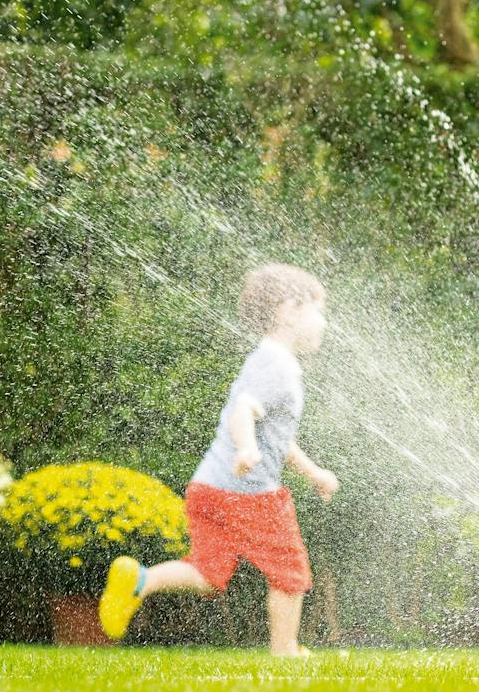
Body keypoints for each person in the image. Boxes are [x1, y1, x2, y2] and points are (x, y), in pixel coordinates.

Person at [99, 263, 339, 656]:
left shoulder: (268, 361)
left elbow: (278, 436)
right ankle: (286, 651)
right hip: (250, 494)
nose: (323, 323)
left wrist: (312, 472)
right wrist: (246, 448)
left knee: (208, 573)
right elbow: (242, 412)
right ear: (288, 310)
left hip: (209, 487)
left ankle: (140, 581)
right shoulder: (277, 365)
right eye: (317, 311)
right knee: (290, 571)